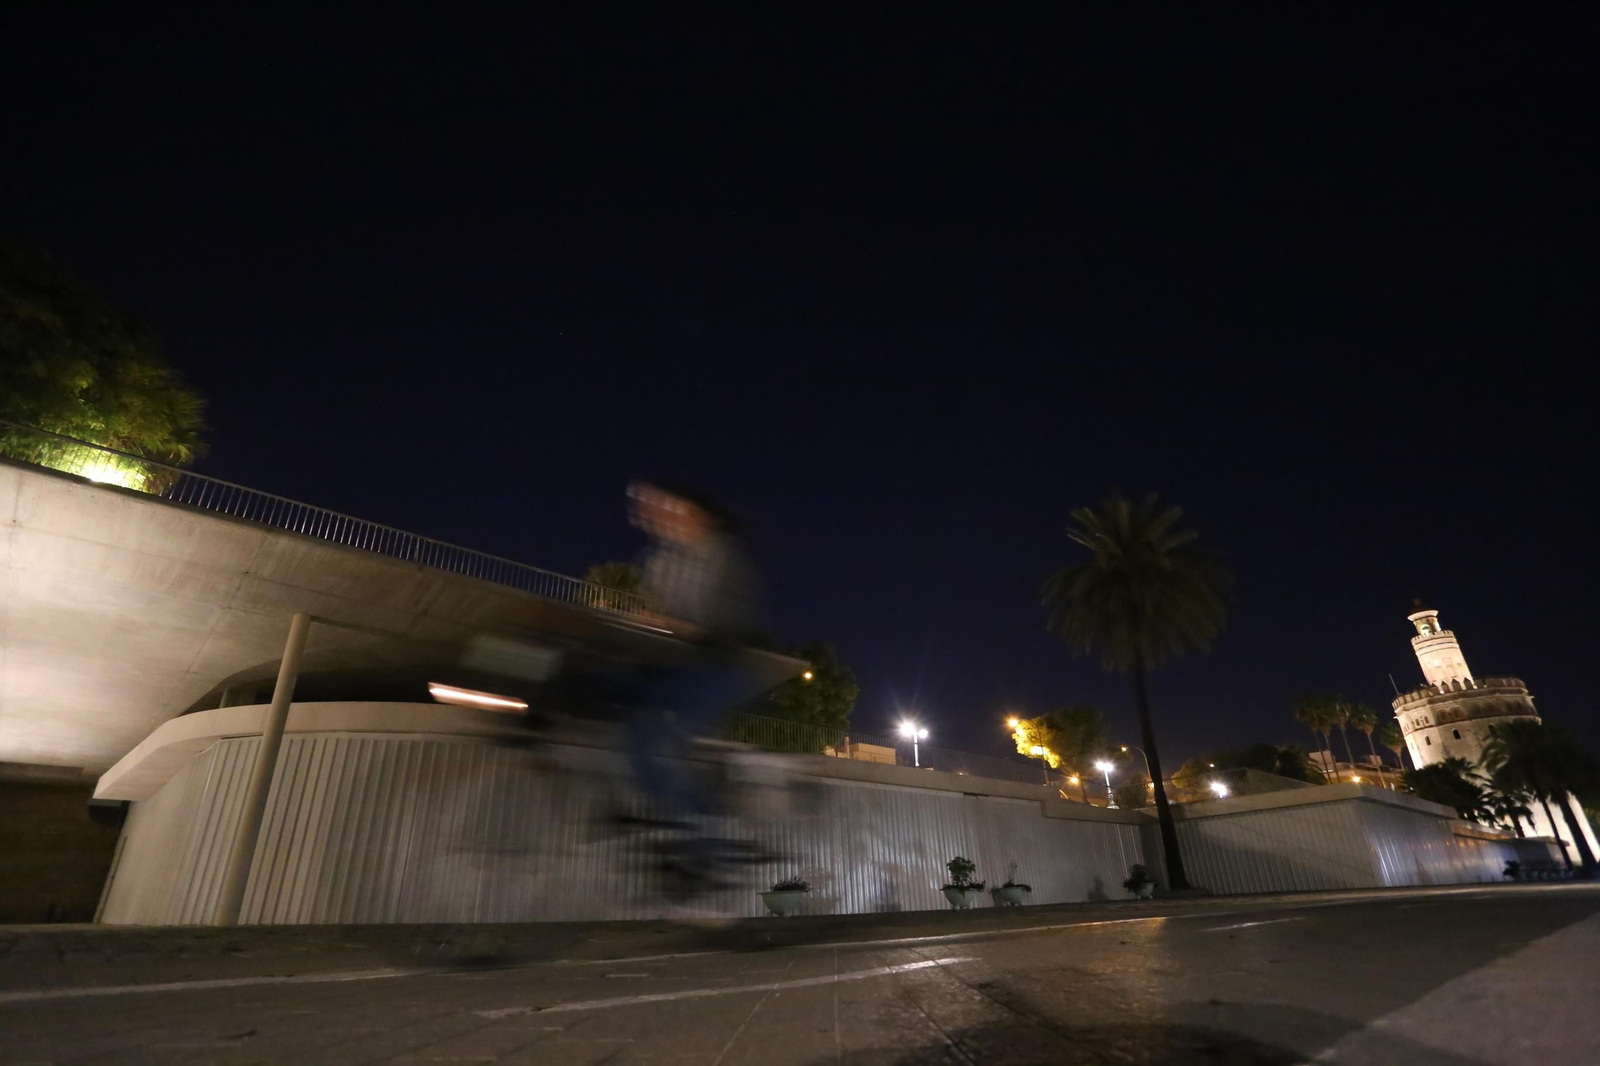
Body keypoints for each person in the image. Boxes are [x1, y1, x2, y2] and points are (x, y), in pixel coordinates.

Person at [620, 479, 764, 884]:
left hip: (714, 667)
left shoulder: (719, 554)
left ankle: (705, 836)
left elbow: (722, 620)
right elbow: (654, 617)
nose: (656, 518)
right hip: (671, 664)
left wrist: (674, 627)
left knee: (653, 735)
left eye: (668, 509)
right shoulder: (659, 562)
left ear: (695, 515)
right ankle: (673, 808)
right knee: (623, 708)